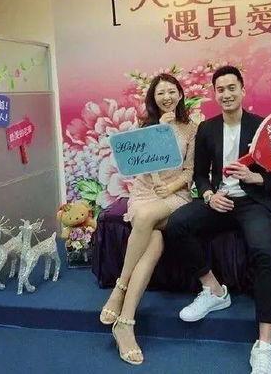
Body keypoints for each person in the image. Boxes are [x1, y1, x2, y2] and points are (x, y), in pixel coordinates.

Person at [166, 66, 271, 374]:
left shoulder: (261, 127)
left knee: (264, 253)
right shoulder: (207, 129)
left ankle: (264, 345)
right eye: (220, 89)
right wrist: (209, 195)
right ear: (215, 94)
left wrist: (255, 177)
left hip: (254, 202)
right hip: (220, 200)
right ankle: (215, 291)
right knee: (177, 224)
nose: (226, 94)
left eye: (232, 88)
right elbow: (199, 174)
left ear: (243, 90)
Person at [99, 73, 197, 365]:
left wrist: (171, 186)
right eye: (160, 93)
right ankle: (125, 324)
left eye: (171, 91)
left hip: (175, 196)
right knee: (153, 244)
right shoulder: (144, 128)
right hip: (144, 194)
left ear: (180, 94)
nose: (167, 97)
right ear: (153, 99)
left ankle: (119, 288)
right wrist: (159, 132)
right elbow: (136, 165)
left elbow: (190, 170)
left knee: (144, 218)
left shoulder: (192, 128)